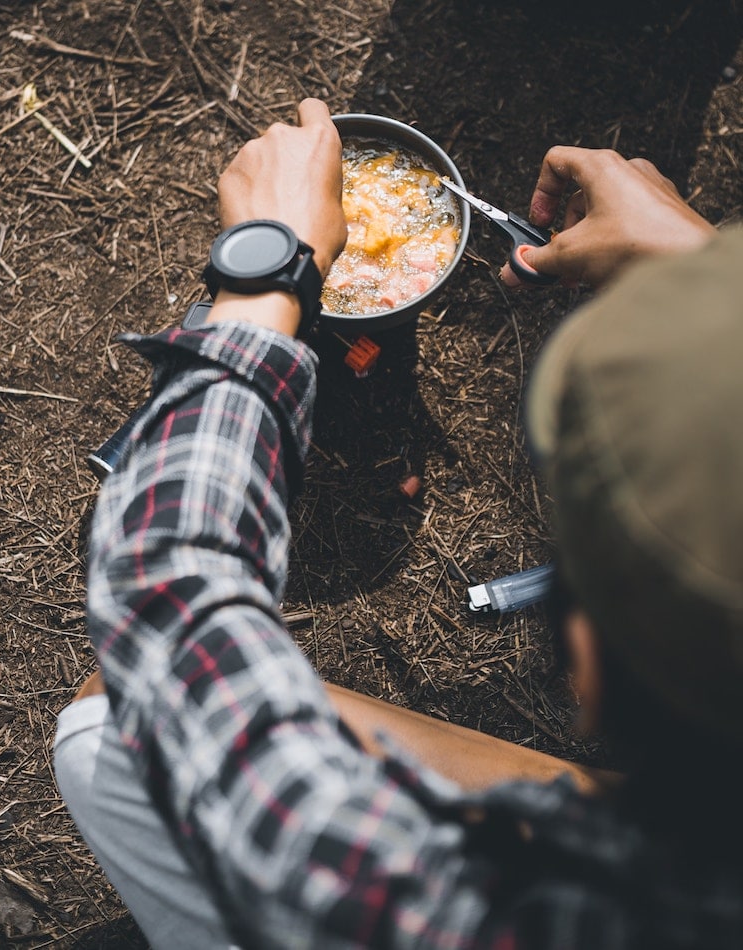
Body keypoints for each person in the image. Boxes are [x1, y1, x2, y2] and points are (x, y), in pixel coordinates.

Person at [54, 98, 743, 949]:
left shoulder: (460, 908)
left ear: (586, 663)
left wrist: (265, 277)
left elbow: (166, 607)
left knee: (109, 725)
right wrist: (705, 279)